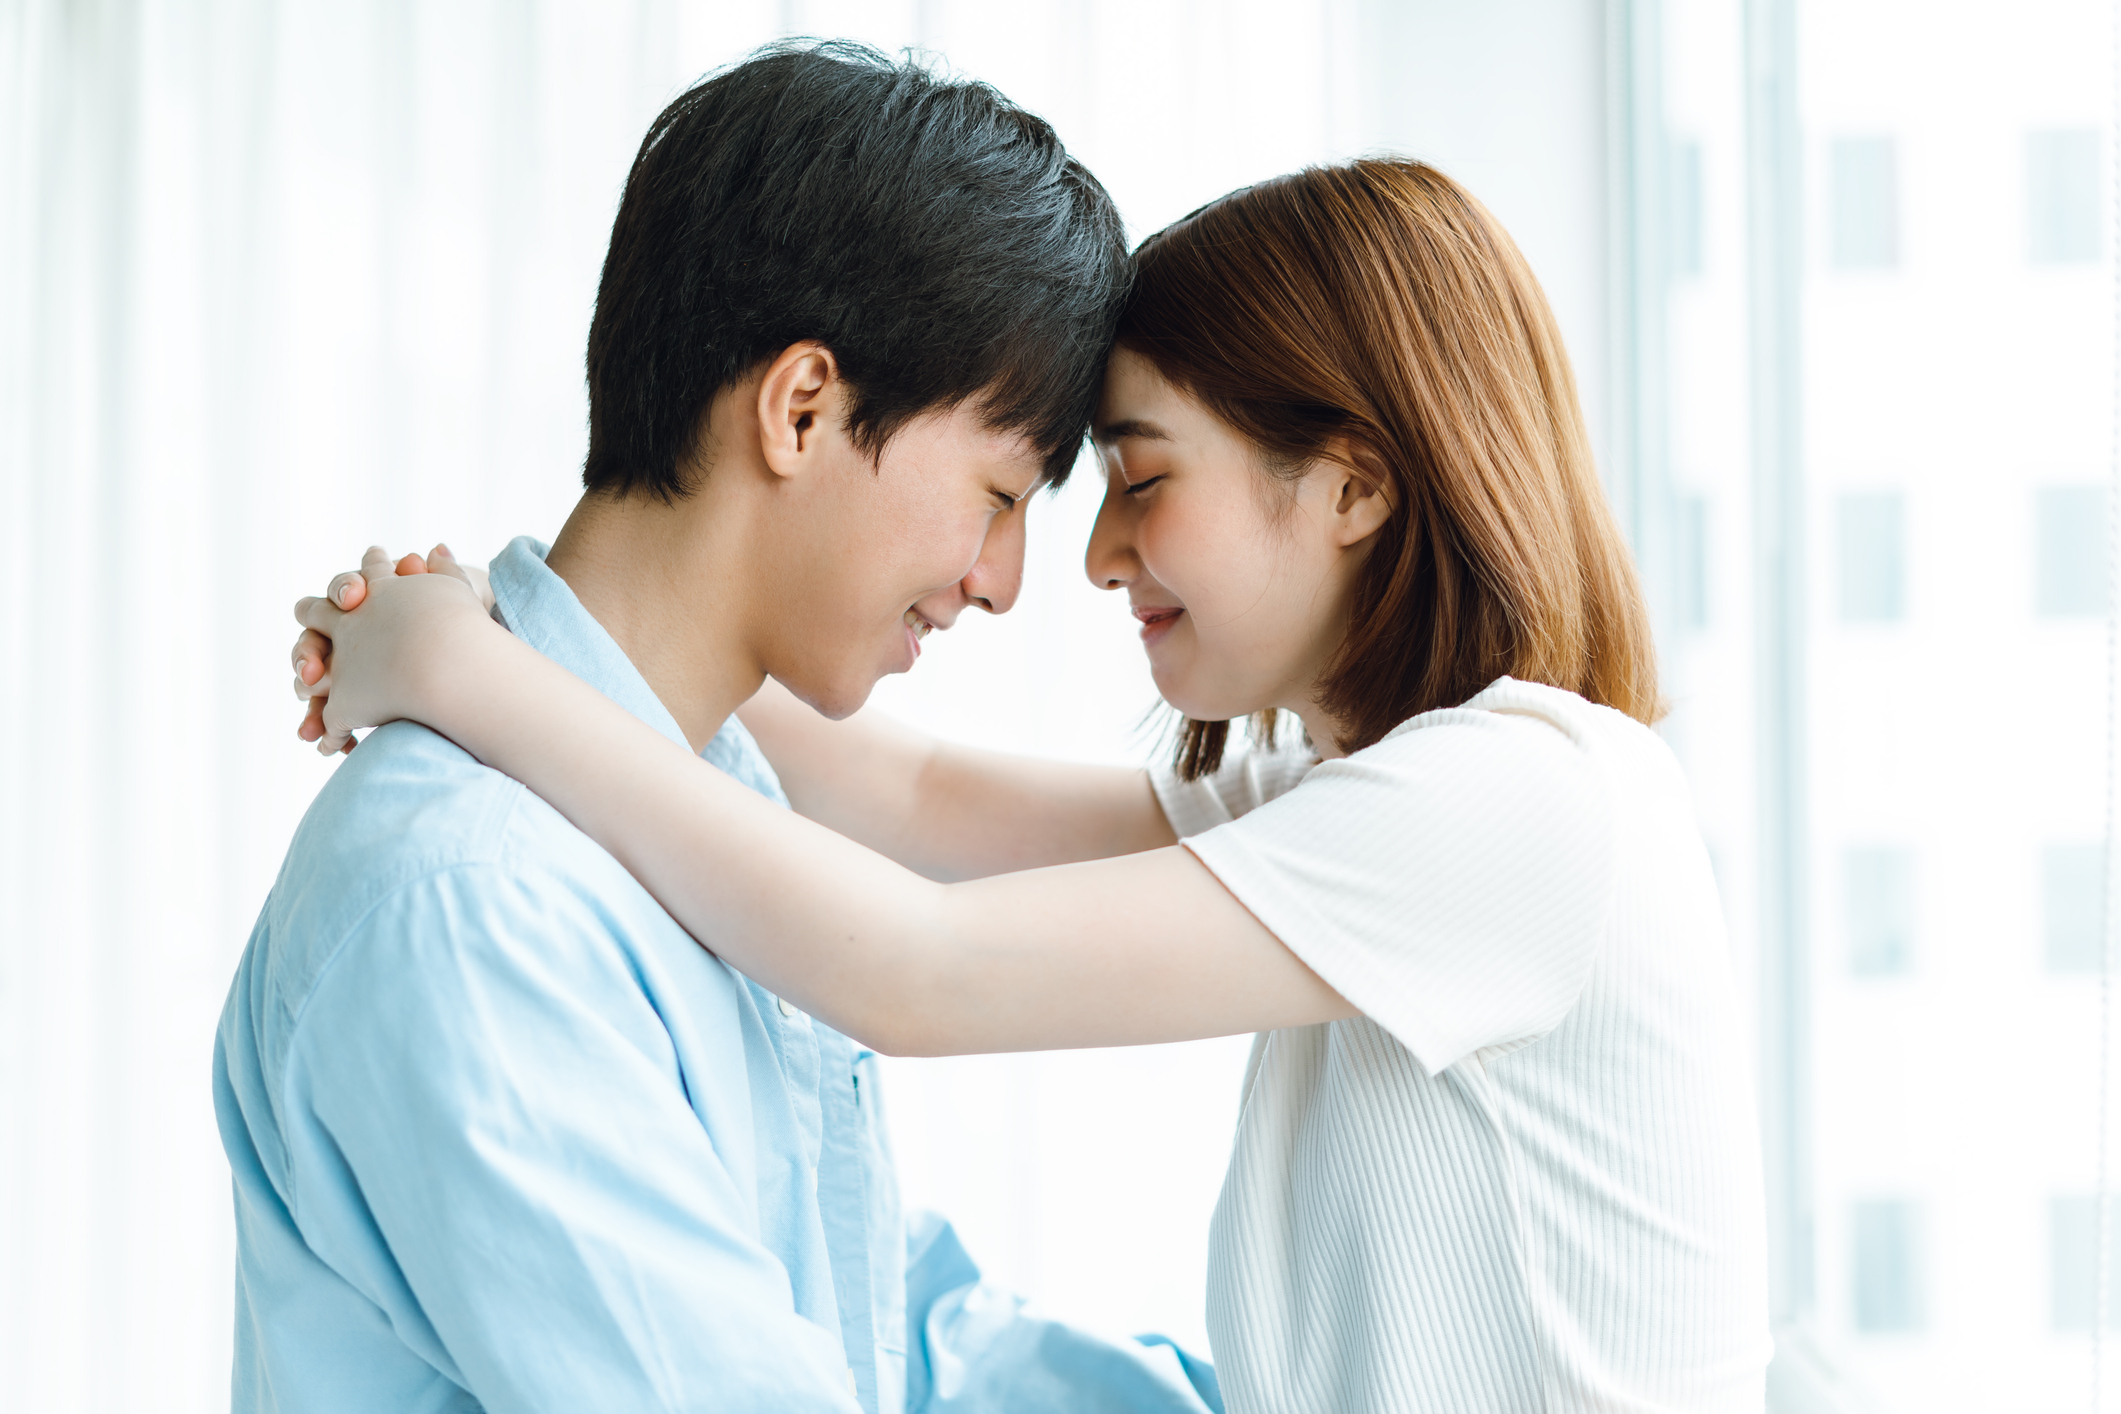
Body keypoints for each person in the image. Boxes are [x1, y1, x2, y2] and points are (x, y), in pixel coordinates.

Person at [294, 159, 1775, 1412]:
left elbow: (917, 968)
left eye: (1138, 478)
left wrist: (476, 679)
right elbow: (924, 801)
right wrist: (539, 618)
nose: (1088, 558)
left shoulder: (1520, 811)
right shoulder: (1372, 796)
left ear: (1353, 483)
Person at [217, 41, 1226, 1414]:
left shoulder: (701, 801)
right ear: (800, 407)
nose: (1000, 582)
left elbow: (889, 1331)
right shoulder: (477, 901)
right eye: (998, 495)